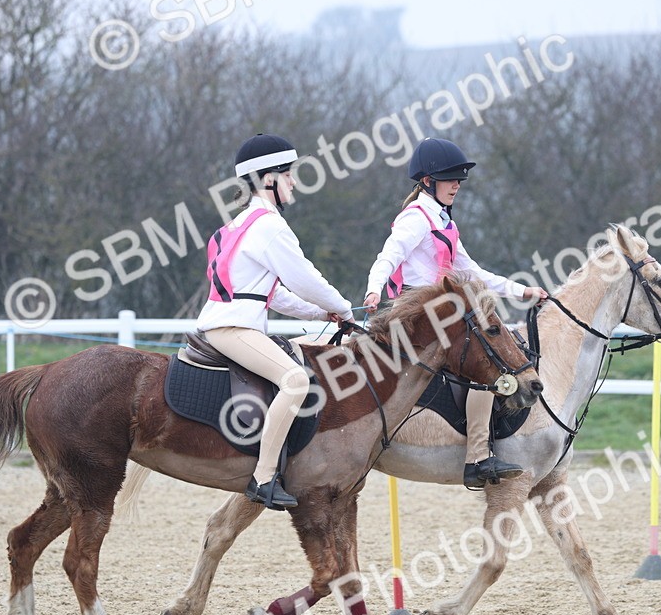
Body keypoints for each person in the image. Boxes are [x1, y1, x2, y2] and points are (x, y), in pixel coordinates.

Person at [363, 137, 548, 489]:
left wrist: (521, 290)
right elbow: (388, 256)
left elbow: (472, 272)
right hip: (421, 314)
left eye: (459, 180)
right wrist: (374, 288)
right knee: (483, 361)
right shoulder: (416, 218)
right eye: (450, 179)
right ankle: (478, 457)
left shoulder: (443, 221)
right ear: (428, 182)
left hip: (443, 312)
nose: (457, 186)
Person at [199, 133, 355, 509]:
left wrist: (321, 312)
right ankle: (264, 477)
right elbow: (304, 277)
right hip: (233, 327)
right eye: (288, 175)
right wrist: (343, 307)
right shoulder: (269, 226)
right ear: (268, 178)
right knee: (295, 380)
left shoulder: (240, 224)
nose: (294, 182)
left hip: (228, 320)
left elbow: (273, 294)